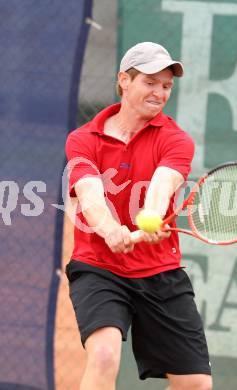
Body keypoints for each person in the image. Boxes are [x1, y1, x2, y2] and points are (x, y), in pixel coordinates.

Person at [65, 42, 212, 390]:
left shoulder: (177, 140)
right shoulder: (83, 139)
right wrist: (111, 230)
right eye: (150, 82)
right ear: (124, 81)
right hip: (98, 267)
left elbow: (163, 185)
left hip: (161, 271)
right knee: (103, 355)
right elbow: (89, 195)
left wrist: (151, 216)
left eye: (166, 86)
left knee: (195, 385)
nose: (160, 92)